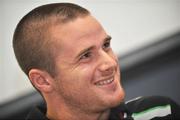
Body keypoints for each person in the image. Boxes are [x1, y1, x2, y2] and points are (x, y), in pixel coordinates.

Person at [13, 3, 180, 120]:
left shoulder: (160, 112)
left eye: (106, 45)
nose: (110, 64)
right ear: (43, 80)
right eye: (85, 55)